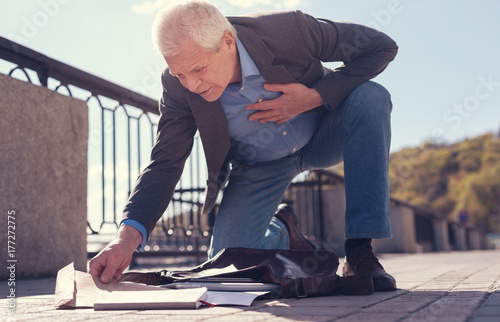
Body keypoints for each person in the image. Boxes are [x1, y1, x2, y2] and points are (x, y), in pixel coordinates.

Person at [89, 0, 398, 292]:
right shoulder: (177, 89)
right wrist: (125, 240)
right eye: (179, 74)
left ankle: (359, 252)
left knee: (371, 97)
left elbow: (380, 46)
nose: (192, 85)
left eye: (198, 70)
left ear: (227, 42)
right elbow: (165, 162)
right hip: (257, 167)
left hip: (320, 134)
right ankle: (282, 228)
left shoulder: (290, 31)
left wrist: (313, 97)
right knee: (229, 264)